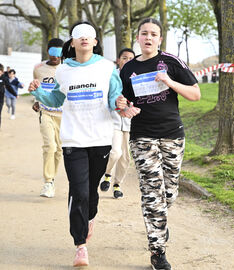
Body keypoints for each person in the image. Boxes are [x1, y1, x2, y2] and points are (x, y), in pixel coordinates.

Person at [28, 21, 131, 267]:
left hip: (100, 138)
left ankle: (90, 218)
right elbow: (56, 98)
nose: (84, 38)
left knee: (91, 192)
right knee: (78, 190)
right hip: (73, 138)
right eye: (78, 35)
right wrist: (39, 92)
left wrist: (120, 104)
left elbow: (114, 97)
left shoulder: (107, 68)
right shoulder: (63, 70)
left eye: (89, 35)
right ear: (72, 42)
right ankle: (80, 245)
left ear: (95, 42)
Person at [119, 18, 201, 270]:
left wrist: (168, 81)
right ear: (138, 37)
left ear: (160, 39)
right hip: (142, 136)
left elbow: (195, 95)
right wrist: (123, 108)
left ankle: (159, 223)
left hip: (172, 134)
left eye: (153, 34)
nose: (148, 38)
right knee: (152, 194)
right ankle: (157, 251)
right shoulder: (128, 69)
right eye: (144, 33)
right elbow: (124, 102)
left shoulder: (172, 62)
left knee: (168, 193)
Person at [100, 48, 135, 199]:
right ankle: (107, 174)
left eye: (131, 59)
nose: (128, 61)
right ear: (118, 60)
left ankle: (117, 184)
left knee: (125, 157)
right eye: (124, 58)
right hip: (113, 120)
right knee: (115, 152)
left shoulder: (136, 77)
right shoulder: (110, 76)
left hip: (129, 122)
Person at [32, 38, 64, 198]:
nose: (55, 57)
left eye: (58, 53)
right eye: (53, 53)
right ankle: (48, 182)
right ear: (47, 52)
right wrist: (37, 101)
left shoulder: (67, 69)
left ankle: (52, 178)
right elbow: (36, 86)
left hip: (63, 115)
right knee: (49, 146)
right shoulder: (39, 69)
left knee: (58, 150)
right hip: (46, 113)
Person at [0, 63, 17, 129]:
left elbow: (9, 87)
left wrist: (15, 94)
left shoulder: (4, 78)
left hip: (0, 99)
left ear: (1, 71)